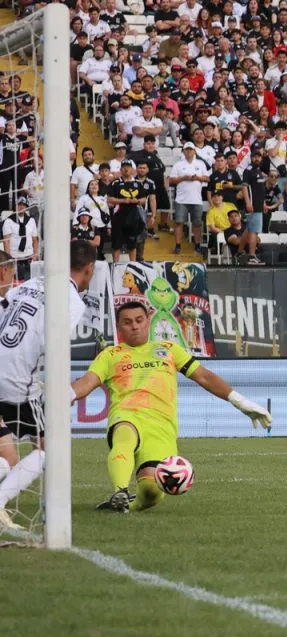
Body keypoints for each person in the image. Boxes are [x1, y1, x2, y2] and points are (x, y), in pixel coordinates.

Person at [71, 301, 271, 513]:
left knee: (151, 493)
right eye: (127, 322)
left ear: (148, 321)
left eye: (139, 320)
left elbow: (203, 376)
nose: (135, 326)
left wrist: (239, 401)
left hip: (161, 427)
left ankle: (126, 504)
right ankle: (119, 490)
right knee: (124, 436)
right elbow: (87, 382)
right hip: (128, 415)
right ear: (119, 327)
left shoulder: (168, 350)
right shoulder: (110, 355)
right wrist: (61, 396)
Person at [0, 241, 94, 531]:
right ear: (89, 269)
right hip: (17, 380)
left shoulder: (27, 283)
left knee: (9, 460)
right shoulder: (71, 300)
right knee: (49, 448)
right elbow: (52, 344)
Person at [168, 142, 210, 255]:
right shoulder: (178, 164)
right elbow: (171, 180)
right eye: (186, 149)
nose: (189, 151)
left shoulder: (200, 164)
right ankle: (178, 245)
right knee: (179, 223)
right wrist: (184, 178)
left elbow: (207, 178)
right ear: (183, 151)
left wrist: (197, 178)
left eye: (191, 149)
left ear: (194, 151)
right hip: (181, 199)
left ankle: (197, 245)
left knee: (197, 223)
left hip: (196, 199)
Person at [1, 197, 37, 280]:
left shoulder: (31, 220)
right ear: (15, 206)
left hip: (29, 258)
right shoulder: (9, 221)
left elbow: (35, 239)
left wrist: (36, 254)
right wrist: (9, 259)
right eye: (19, 205)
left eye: (24, 205)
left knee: (29, 283)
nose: (21, 207)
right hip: (15, 259)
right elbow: (6, 241)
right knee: (17, 284)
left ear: (26, 207)